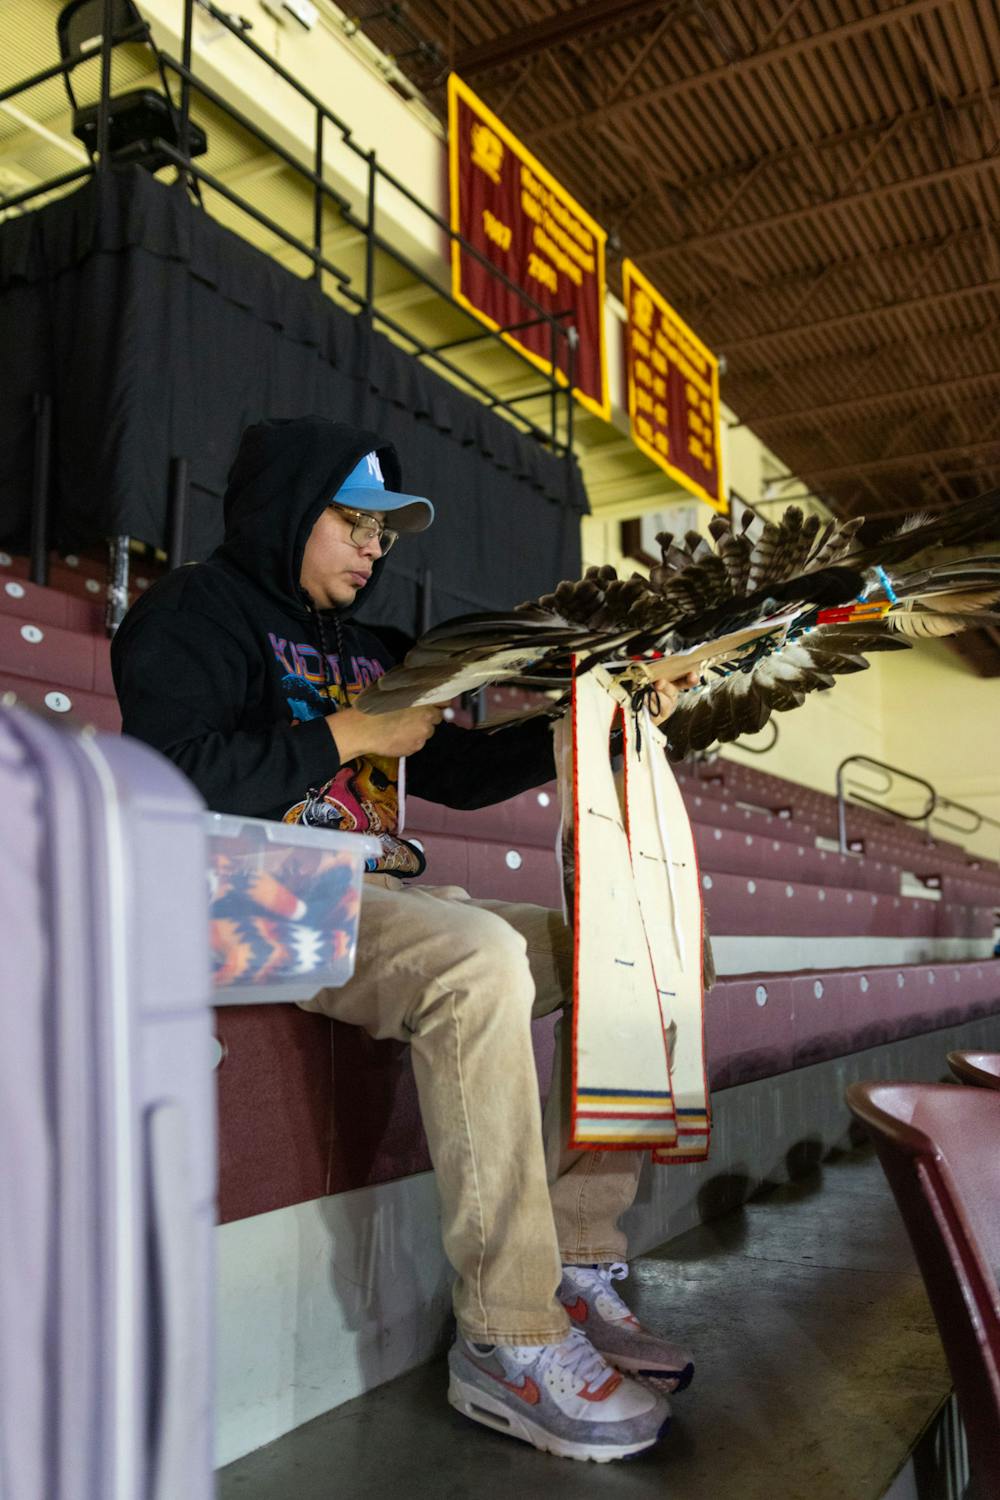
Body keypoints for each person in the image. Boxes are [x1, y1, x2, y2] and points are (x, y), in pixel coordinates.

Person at [112, 415, 696, 1464]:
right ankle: (508, 1334)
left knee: (629, 948)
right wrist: (348, 733)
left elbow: (462, 774)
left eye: (385, 531)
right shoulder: (193, 609)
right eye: (353, 522)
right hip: (244, 895)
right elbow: (167, 774)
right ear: (288, 509)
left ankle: (574, 1255)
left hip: (366, 895)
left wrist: (594, 718)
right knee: (478, 959)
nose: (375, 547)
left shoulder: (377, 650)